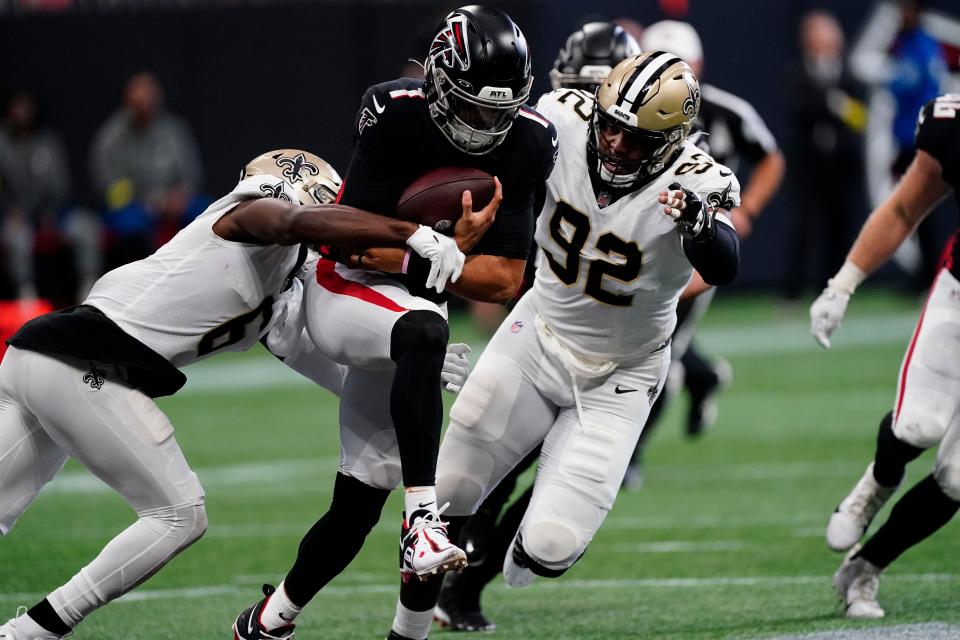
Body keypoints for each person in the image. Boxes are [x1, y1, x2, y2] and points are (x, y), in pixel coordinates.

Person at [0, 148, 470, 640]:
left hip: (37, 357)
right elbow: (287, 219)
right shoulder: (245, 215)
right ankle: (29, 633)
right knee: (178, 516)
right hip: (84, 366)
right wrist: (407, 232)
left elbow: (339, 375)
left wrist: (405, 361)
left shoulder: (280, 289)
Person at [386, 50, 741, 640]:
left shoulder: (698, 180)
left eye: (635, 138)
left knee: (551, 547)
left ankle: (520, 553)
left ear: (672, 137)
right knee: (440, 500)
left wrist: (699, 225)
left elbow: (724, 263)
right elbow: (487, 135)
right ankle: (410, 630)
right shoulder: (563, 120)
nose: (616, 145)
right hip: (538, 335)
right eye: (610, 126)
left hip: (621, 377)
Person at [230, 7, 557, 640]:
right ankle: (422, 522)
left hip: (410, 308)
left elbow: (504, 280)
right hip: (344, 294)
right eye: (474, 107)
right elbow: (344, 246)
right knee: (426, 343)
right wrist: (435, 248)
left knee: (357, 504)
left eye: (500, 111)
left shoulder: (528, 140)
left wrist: (440, 258)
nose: (489, 126)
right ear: (438, 81)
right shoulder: (394, 113)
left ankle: (269, 622)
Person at [432, 20, 641, 632]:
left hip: (624, 344)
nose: (606, 134)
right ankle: (461, 567)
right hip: (547, 316)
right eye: (579, 94)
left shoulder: (663, 163)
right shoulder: (552, 131)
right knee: (497, 451)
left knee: (565, 476)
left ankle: (479, 571)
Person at [810, 93, 960, 619]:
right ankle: (877, 481)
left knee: (958, 477)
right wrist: (843, 284)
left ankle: (865, 566)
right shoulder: (951, 126)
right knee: (917, 425)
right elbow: (903, 207)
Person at [624, 20, 784, 484]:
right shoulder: (623, 113)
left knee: (659, 349)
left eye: (681, 65)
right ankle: (704, 377)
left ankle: (628, 455)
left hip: (694, 241)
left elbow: (772, 155)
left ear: (698, 68)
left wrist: (747, 207)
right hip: (635, 237)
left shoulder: (724, 113)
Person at [783, 11, 867, 300]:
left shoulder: (849, 72)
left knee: (840, 226)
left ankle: (834, 287)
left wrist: (835, 106)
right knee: (804, 226)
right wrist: (834, 105)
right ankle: (791, 292)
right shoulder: (797, 71)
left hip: (841, 164)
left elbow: (859, 115)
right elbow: (802, 109)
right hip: (808, 164)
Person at [89, 71, 207, 266]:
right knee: (133, 225)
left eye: (149, 102)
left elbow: (191, 174)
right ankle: (145, 281)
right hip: (131, 205)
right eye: (138, 104)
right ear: (127, 102)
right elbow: (107, 186)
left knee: (206, 212)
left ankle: (201, 276)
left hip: (172, 201)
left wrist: (179, 195)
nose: (145, 108)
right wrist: (150, 202)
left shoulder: (174, 130)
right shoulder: (111, 138)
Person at [0, 89, 101, 303]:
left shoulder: (48, 142)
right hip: (16, 215)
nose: (23, 113)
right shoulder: (2, 143)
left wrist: (49, 213)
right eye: (17, 107)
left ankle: (88, 291)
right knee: (15, 238)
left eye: (26, 107)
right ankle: (25, 293)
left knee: (86, 228)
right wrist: (11, 210)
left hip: (53, 213)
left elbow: (61, 184)